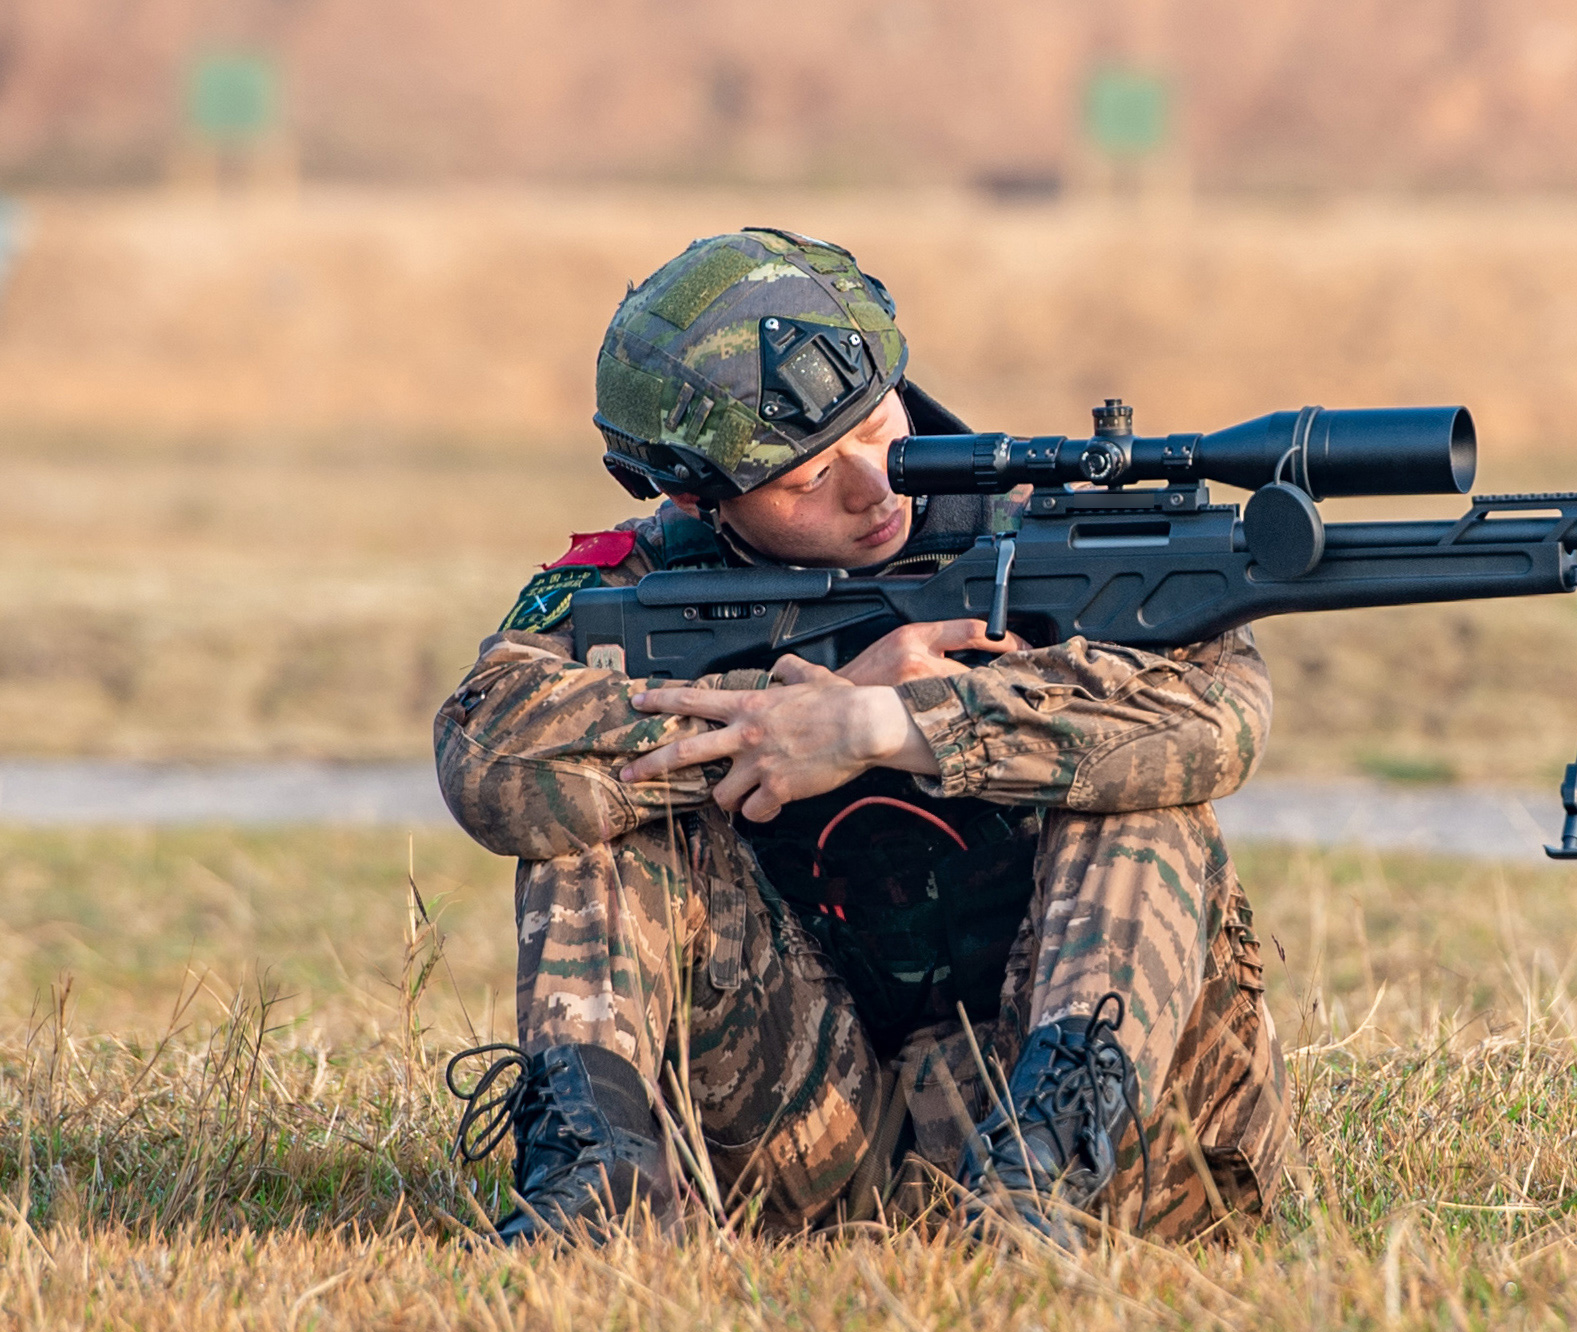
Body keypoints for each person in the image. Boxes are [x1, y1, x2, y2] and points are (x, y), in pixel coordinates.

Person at [436, 226, 1293, 1247]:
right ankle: (595, 1194)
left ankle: (1039, 1176)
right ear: (693, 496)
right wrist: (785, 708)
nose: (873, 488)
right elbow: (491, 753)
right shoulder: (639, 578)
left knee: (1134, 782)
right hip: (791, 1149)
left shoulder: (1064, 541)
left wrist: (885, 723)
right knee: (586, 813)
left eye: (879, 430)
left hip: (1143, 1163)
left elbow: (1217, 717)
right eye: (806, 481)